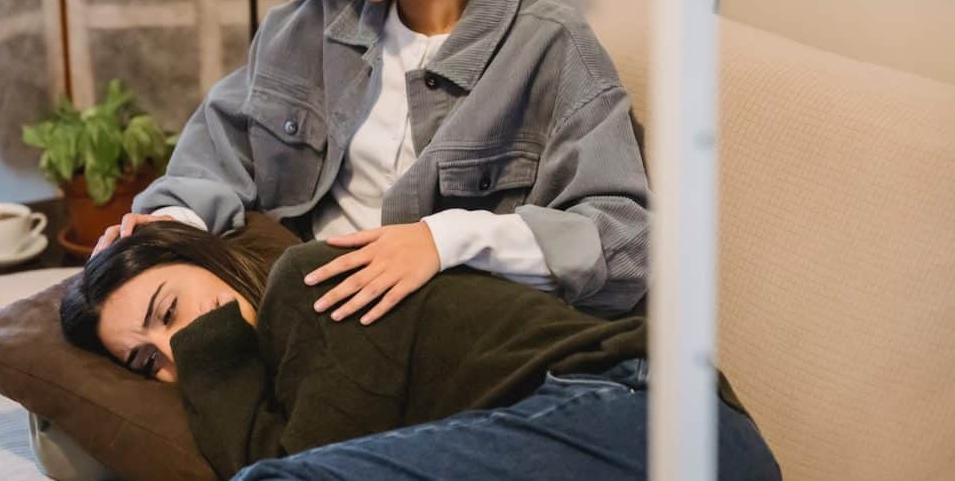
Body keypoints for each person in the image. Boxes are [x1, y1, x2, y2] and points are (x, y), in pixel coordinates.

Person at [91, 0, 651, 325]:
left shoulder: (550, 49)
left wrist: (446, 239)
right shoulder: (306, 27)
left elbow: (624, 242)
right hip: (303, 314)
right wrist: (173, 225)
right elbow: (220, 148)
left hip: (443, 340)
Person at [62, 221, 781, 480]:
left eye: (169, 312)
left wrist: (210, 355)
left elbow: (297, 466)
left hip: (652, 417)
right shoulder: (280, 379)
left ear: (208, 257)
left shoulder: (309, 280)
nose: (175, 353)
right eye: (147, 359)